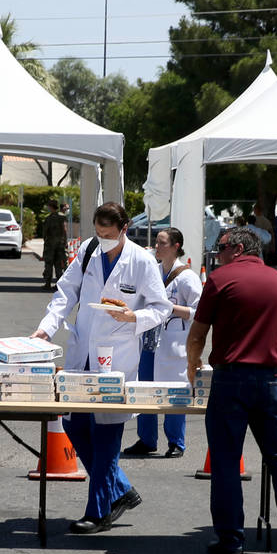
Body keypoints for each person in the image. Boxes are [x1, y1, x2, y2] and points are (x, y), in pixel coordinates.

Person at [32, 202, 172, 534]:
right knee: (75, 427)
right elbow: (66, 292)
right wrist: (46, 328)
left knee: (107, 436)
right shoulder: (89, 250)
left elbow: (161, 307)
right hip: (82, 353)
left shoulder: (141, 261)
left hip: (118, 357)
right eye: (98, 233)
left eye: (108, 234)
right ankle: (120, 489)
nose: (102, 239)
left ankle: (98, 513)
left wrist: (134, 317)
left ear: (124, 229)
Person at [185, 226, 277, 554]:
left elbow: (198, 334)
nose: (218, 253)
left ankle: (231, 539)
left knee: (226, 462)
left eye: (222, 247)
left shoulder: (219, 280)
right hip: (270, 379)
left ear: (240, 248)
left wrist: (193, 365)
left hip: (230, 380)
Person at [124, 227, 201, 458]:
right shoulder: (152, 271)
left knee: (175, 394)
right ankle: (146, 440)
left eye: (162, 243)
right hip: (149, 341)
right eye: (156, 243)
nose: (157, 247)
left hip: (174, 344)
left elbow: (200, 312)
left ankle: (176, 442)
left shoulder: (188, 277)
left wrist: (169, 309)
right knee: (145, 391)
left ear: (176, 246)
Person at [41, 200, 68, 290]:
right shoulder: (62, 217)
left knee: (49, 264)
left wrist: (45, 241)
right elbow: (64, 230)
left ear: (50, 207)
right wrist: (65, 241)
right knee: (58, 265)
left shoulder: (49, 218)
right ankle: (59, 284)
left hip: (50, 244)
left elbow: (45, 232)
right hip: (60, 244)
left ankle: (47, 283)